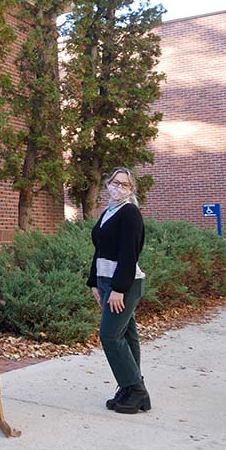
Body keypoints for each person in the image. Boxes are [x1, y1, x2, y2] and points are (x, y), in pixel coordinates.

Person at [87, 167, 151, 414]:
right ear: (107, 184)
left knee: (110, 335)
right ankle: (131, 388)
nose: (118, 187)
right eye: (115, 182)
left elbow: (129, 254)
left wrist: (118, 289)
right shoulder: (107, 212)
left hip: (125, 284)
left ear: (131, 189)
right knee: (127, 335)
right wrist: (94, 282)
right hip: (106, 281)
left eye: (124, 184)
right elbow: (99, 250)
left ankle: (135, 389)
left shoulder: (130, 213)